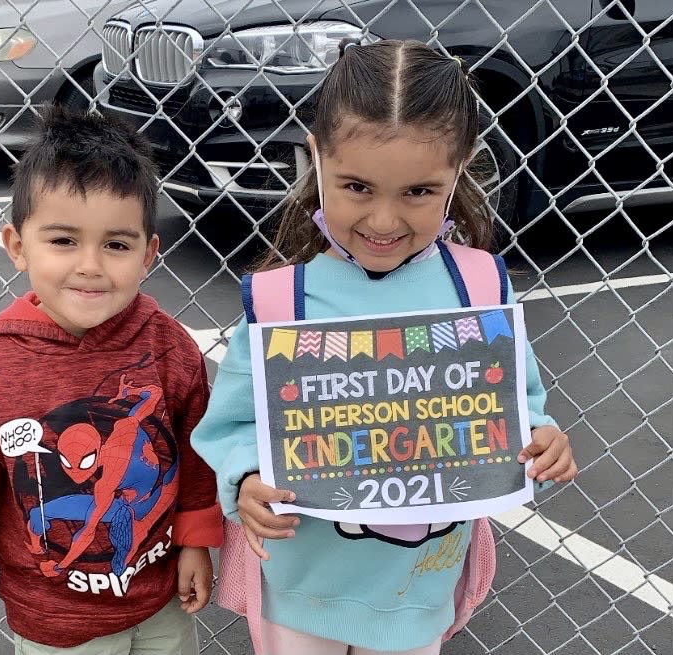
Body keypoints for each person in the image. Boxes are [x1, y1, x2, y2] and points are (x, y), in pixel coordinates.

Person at [191, 39, 578, 655]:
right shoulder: (279, 302)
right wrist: (246, 480)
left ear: (461, 170)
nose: (383, 221)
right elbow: (233, 425)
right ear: (315, 157)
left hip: (417, 590)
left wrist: (543, 435)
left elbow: (515, 403)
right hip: (302, 585)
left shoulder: (477, 286)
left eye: (419, 192)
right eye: (357, 187)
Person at [0, 106, 223, 655]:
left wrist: (195, 539)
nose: (90, 265)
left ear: (149, 253)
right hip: (52, 618)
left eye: (117, 245)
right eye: (63, 241)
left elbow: (196, 452)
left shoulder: (168, 346)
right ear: (17, 245)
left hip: (158, 599)